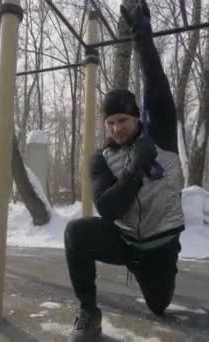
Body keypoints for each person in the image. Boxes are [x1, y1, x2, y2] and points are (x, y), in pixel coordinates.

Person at [64, 1, 185, 341]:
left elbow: (156, 87)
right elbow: (108, 208)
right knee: (77, 233)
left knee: (159, 306)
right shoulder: (100, 159)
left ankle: (156, 276)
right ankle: (88, 311)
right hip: (124, 240)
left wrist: (142, 36)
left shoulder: (160, 136)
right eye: (111, 122)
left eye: (123, 120)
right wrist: (135, 168)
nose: (116, 128)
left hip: (160, 248)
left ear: (137, 118)